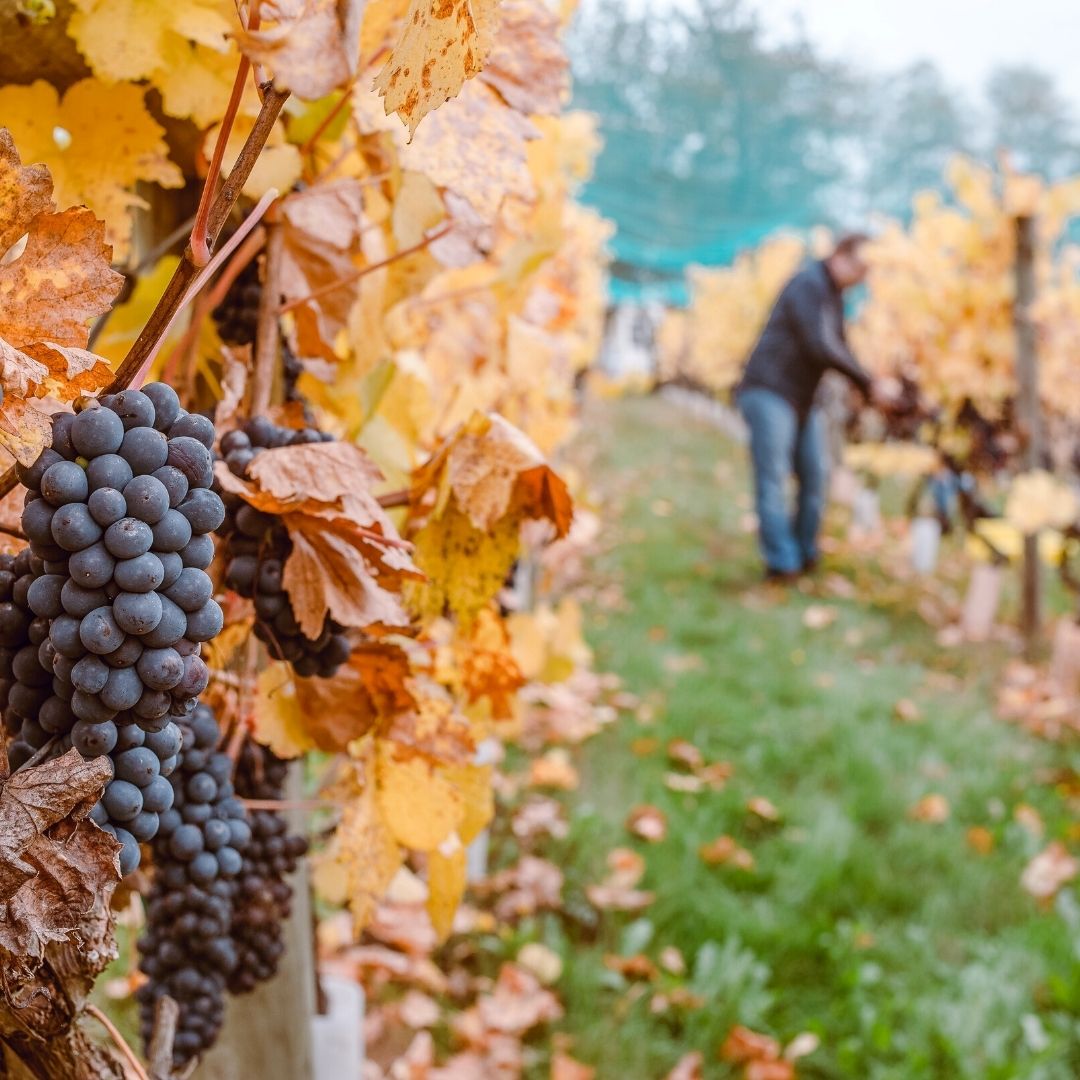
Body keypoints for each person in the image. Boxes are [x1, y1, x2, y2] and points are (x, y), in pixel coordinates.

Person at [736, 233, 880, 581]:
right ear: (841, 256)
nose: (863, 276)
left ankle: (804, 552)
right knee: (773, 477)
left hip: (802, 397)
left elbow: (840, 346)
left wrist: (867, 384)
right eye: (860, 267)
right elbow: (820, 345)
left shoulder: (833, 297)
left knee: (815, 476)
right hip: (770, 390)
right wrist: (866, 382)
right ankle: (782, 563)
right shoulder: (809, 284)